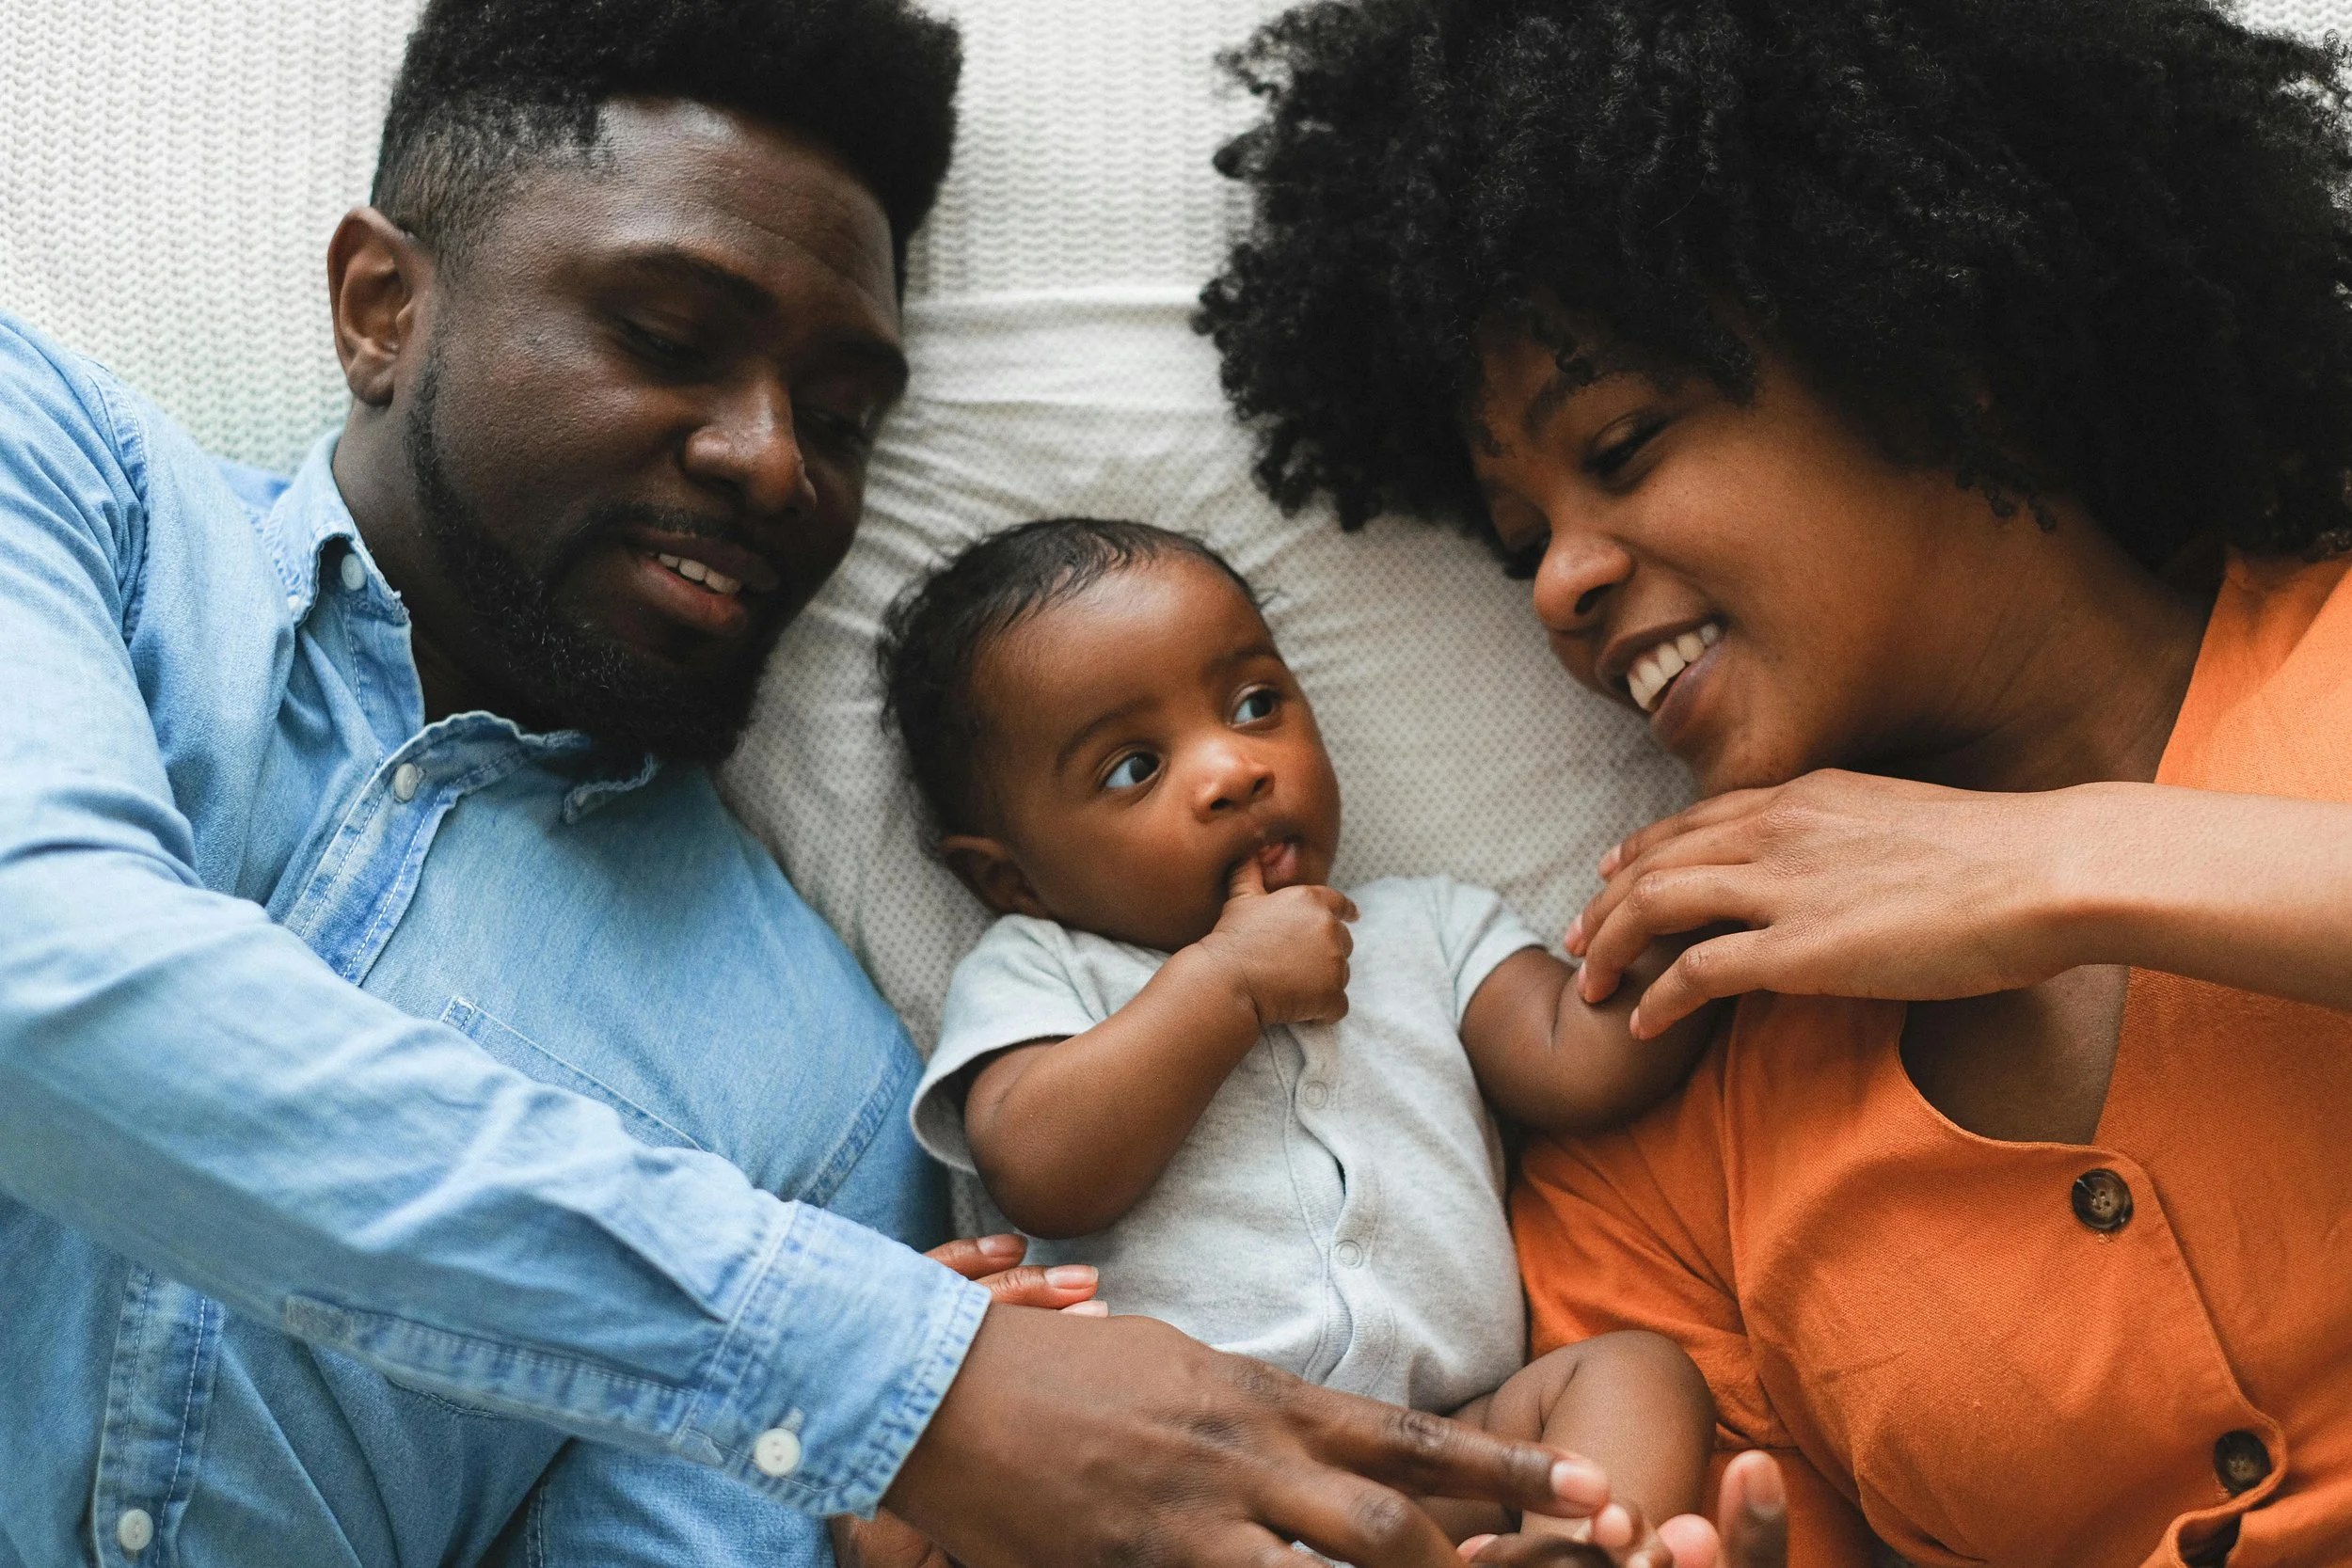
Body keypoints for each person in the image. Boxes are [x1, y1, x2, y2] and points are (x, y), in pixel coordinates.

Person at [0, 1, 1628, 1565]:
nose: (776, 461)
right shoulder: (61, 476)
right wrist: (905, 1382)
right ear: (380, 306)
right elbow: (45, 970)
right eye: (665, 337)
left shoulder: (824, 1088)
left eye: (842, 417)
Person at [1199, 0, 2352, 1563]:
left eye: (1621, 443)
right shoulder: (1665, 1096)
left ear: (1933, 341)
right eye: (1523, 538)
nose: (1557, 589)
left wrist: (2047, 869)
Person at [871, 516, 1717, 1559]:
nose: (1232, 767)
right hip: (1172, 1484)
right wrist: (1221, 984)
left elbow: (1573, 1057)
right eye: (1134, 766)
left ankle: (1563, 1551)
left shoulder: (1427, 925)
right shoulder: (1044, 970)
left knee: (1635, 1376)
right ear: (1010, 876)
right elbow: (1042, 1168)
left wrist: (1672, 933)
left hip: (1443, 1451)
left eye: (1255, 703)